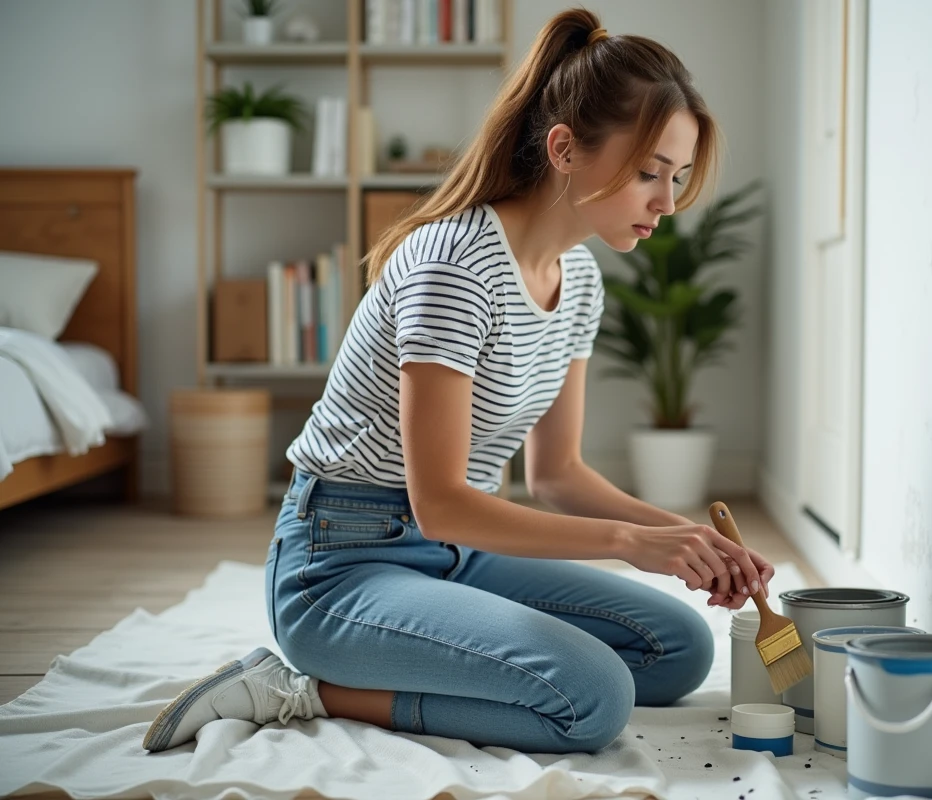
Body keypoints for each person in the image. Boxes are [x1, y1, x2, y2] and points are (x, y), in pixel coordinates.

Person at [143, 7, 776, 756]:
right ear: (565, 149)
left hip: (455, 555)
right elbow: (438, 501)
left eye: (675, 177)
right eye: (648, 173)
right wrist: (630, 542)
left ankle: (446, 648)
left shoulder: (577, 278)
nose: (667, 203)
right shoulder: (456, 265)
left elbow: (558, 474)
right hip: (341, 560)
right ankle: (293, 688)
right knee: (592, 701)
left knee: (675, 649)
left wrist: (687, 539)